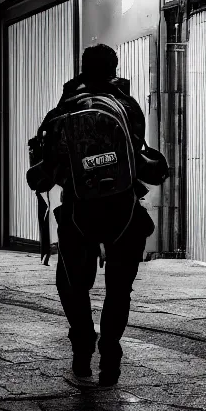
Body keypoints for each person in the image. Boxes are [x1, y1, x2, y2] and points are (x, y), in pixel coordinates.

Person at [27, 44, 162, 387]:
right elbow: (141, 163)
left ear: (83, 68)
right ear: (113, 68)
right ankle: (111, 358)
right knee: (119, 289)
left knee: (72, 284)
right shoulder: (127, 106)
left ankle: (82, 347)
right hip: (123, 211)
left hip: (78, 213)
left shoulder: (65, 107)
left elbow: (47, 170)